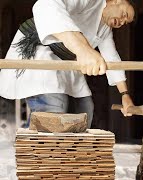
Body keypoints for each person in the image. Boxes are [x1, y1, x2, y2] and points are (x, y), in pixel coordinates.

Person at [0, 0, 136, 128]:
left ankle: (68, 151)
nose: (122, 22)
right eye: (124, 14)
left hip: (65, 63)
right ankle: (37, 149)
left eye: (125, 22)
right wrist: (82, 49)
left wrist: (124, 95)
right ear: (117, 1)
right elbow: (47, 4)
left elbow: (112, 59)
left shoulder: (105, 30)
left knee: (83, 110)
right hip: (41, 49)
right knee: (53, 108)